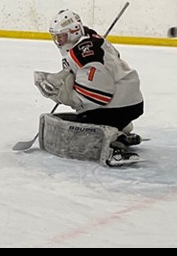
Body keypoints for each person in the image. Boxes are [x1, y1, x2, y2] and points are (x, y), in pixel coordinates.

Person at [33, 9, 144, 167]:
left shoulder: (84, 55)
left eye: (61, 36)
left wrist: (60, 94)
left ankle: (113, 145)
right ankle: (120, 130)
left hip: (121, 106)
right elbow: (114, 56)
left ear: (74, 32)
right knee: (88, 114)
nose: (58, 41)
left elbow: (97, 97)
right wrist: (63, 77)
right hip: (131, 100)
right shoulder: (90, 36)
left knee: (85, 118)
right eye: (56, 37)